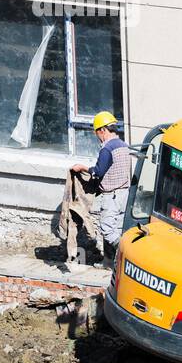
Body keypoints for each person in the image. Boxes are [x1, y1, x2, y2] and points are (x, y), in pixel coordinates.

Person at [69, 111, 131, 263]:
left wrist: (82, 168)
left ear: (102, 130)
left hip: (112, 196)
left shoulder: (107, 149)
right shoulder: (123, 146)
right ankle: (111, 263)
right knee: (118, 228)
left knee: (107, 229)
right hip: (125, 193)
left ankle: (126, 254)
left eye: (97, 133)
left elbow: (98, 172)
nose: (97, 137)